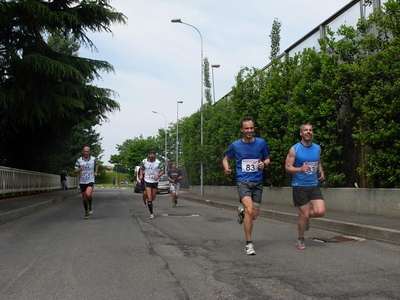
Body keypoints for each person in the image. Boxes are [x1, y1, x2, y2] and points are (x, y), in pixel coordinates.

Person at [222, 117, 271, 255]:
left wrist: (264, 164)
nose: (249, 131)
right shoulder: (236, 145)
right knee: (250, 209)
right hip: (243, 181)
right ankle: (249, 244)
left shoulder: (261, 143)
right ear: (241, 130)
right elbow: (226, 158)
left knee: (253, 215)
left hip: (258, 182)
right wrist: (227, 168)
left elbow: (267, 158)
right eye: (246, 128)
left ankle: (241, 212)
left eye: (251, 128)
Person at [285, 123, 326, 250]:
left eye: (310, 130)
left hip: (313, 185)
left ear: (312, 133)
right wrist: (300, 169)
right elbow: (287, 167)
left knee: (320, 211)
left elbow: (318, 161)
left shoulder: (317, 148)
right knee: (305, 214)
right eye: (305, 130)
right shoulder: (295, 149)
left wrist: (321, 171)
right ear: (301, 133)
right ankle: (300, 239)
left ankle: (304, 217)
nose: (308, 132)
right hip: (299, 186)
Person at [139, 149, 165, 220]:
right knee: (149, 197)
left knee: (153, 198)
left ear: (155, 155)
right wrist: (141, 175)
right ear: (148, 155)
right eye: (150, 154)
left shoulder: (158, 162)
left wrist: (158, 175)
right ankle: (151, 214)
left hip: (155, 181)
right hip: (147, 180)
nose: (152, 155)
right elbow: (141, 168)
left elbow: (163, 170)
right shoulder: (144, 161)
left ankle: (149, 201)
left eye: (153, 154)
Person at [74, 146, 98, 219]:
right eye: (85, 151)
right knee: (84, 199)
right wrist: (80, 169)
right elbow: (75, 171)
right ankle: (86, 211)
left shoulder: (93, 159)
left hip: (90, 180)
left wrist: (96, 171)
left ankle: (90, 206)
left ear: (90, 152)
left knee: (88, 194)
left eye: (87, 151)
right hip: (82, 181)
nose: (86, 153)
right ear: (82, 152)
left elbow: (96, 164)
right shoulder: (79, 160)